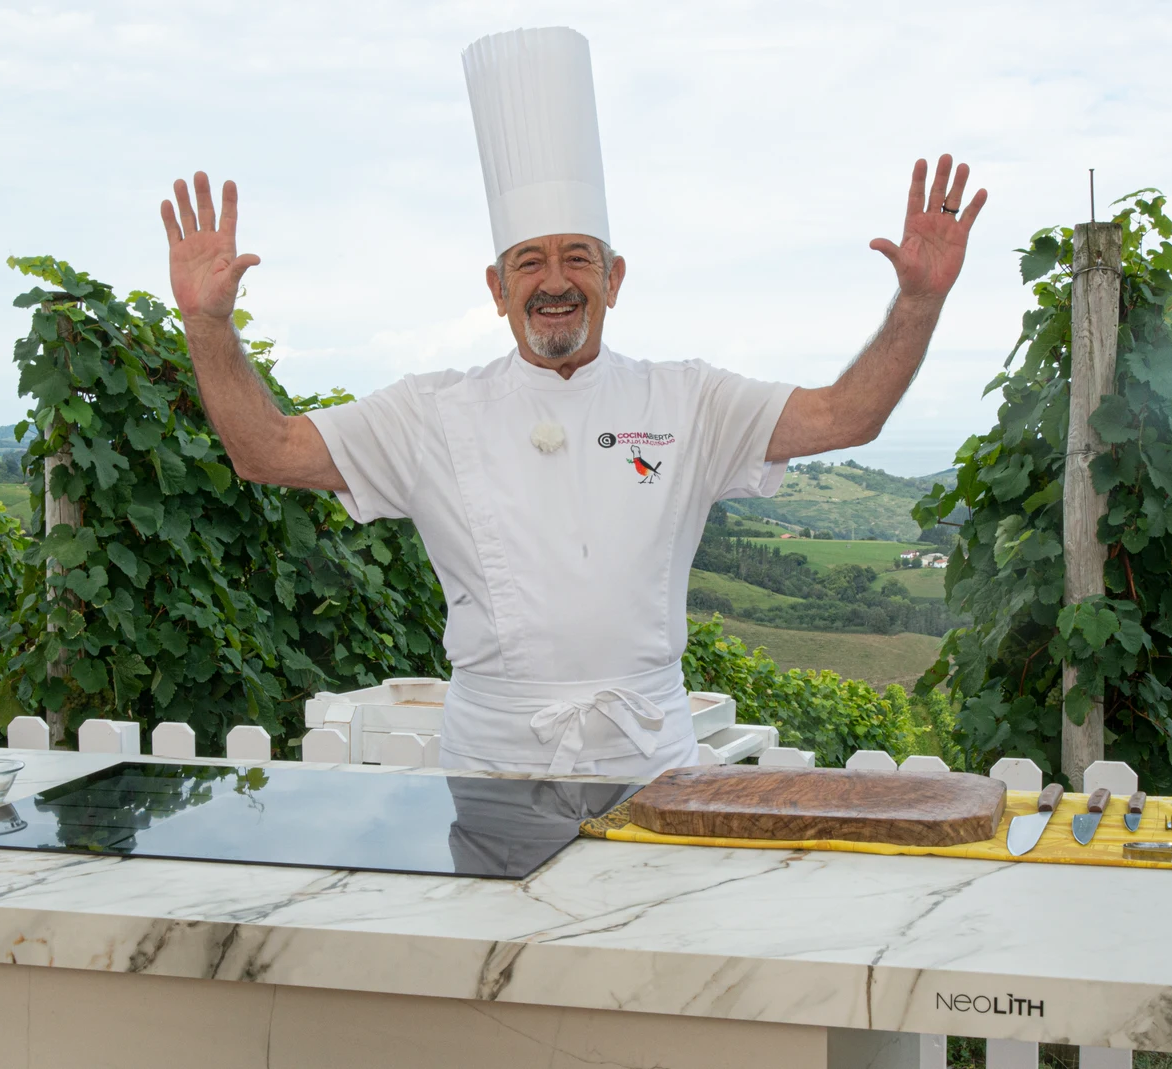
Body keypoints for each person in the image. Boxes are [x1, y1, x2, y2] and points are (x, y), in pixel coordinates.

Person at [157, 28, 986, 778]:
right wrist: (207, 324)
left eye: (578, 257)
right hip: (490, 768)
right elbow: (264, 449)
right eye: (529, 261)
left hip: (650, 759)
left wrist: (919, 301)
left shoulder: (689, 399)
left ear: (614, 278)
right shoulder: (430, 413)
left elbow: (848, 415)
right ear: (496, 288)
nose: (555, 281)